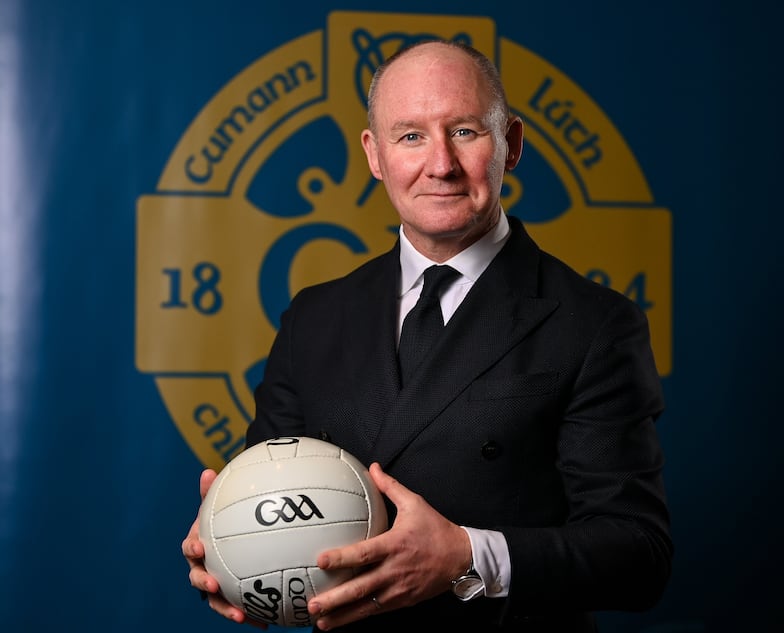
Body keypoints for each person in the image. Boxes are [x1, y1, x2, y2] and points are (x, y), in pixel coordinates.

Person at [182, 39, 672, 632]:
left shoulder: (595, 325)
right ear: (374, 154)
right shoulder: (313, 317)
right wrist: (229, 548)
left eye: (464, 131)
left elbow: (638, 555)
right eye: (410, 135)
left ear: (511, 145)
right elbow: (268, 504)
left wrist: (466, 558)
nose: (440, 164)